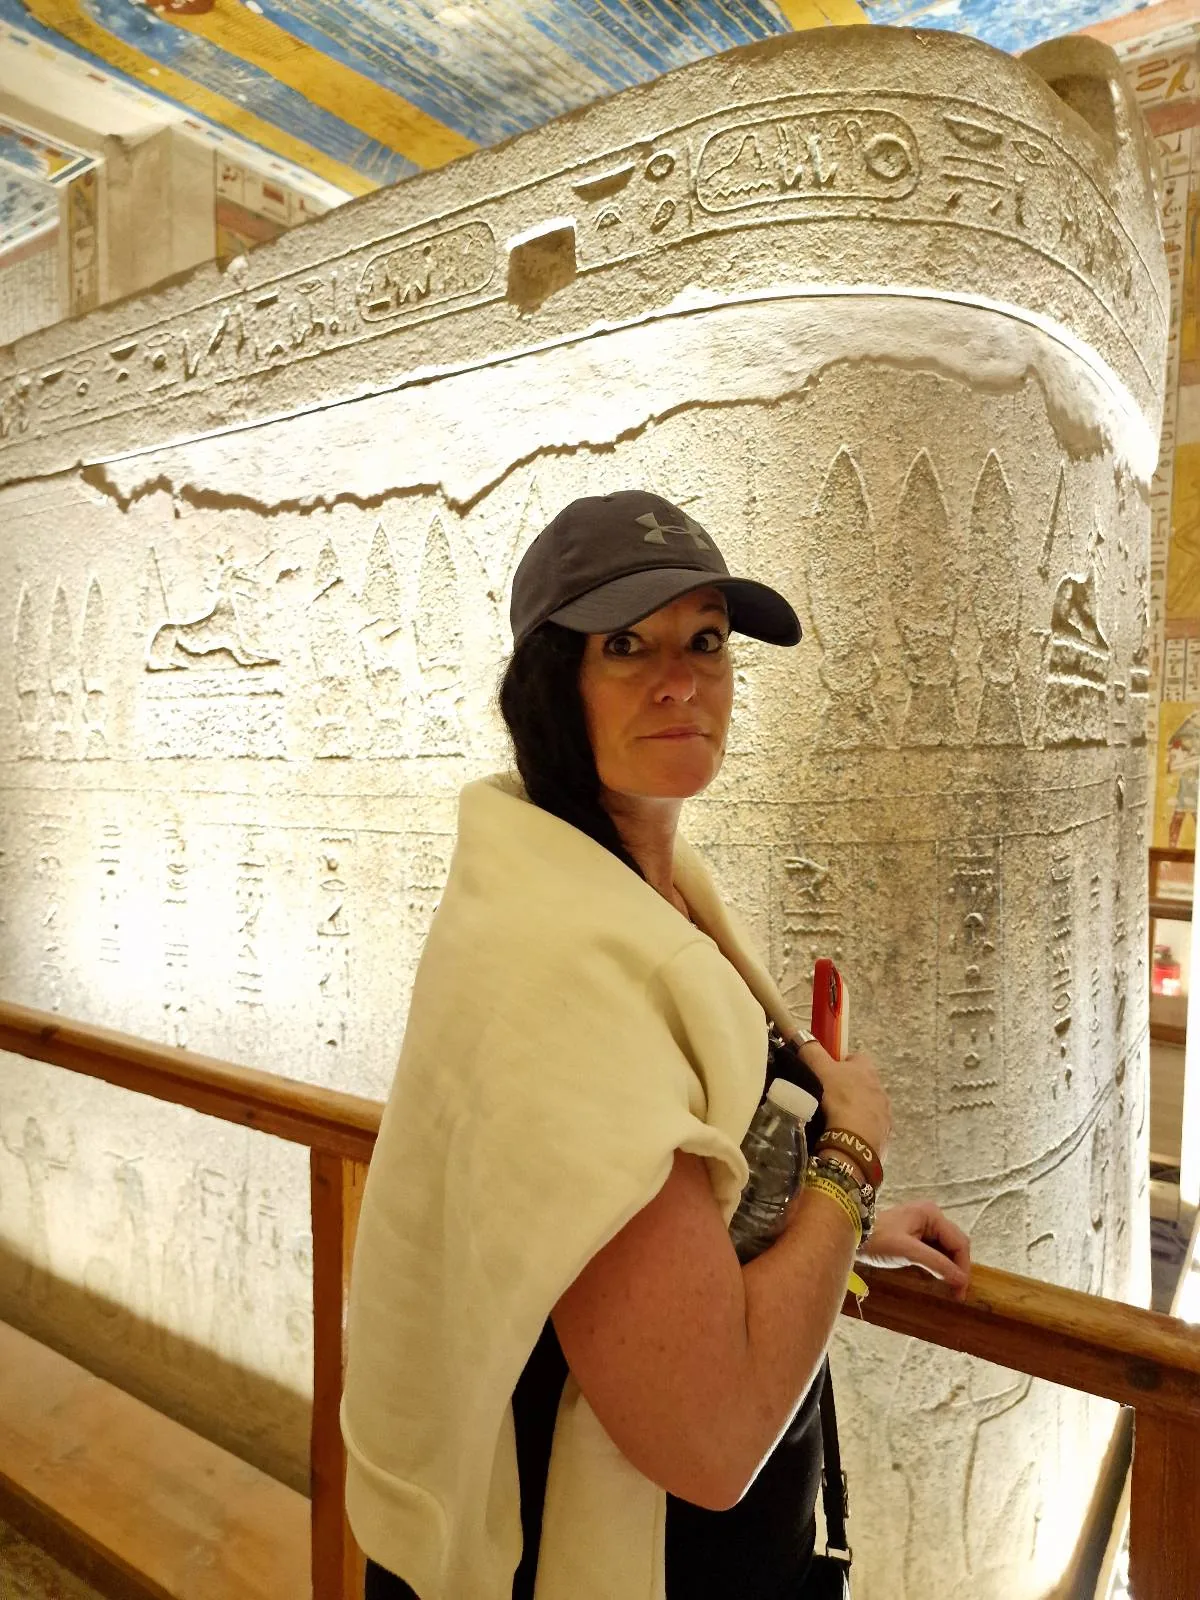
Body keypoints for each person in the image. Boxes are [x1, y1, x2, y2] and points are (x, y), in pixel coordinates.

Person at [341, 490, 971, 1600]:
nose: (680, 680)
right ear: (551, 685)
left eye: (707, 641)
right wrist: (851, 1156)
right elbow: (710, 1438)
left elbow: (672, 1212)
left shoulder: (647, 890)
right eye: (626, 646)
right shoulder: (564, 962)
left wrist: (828, 1229)